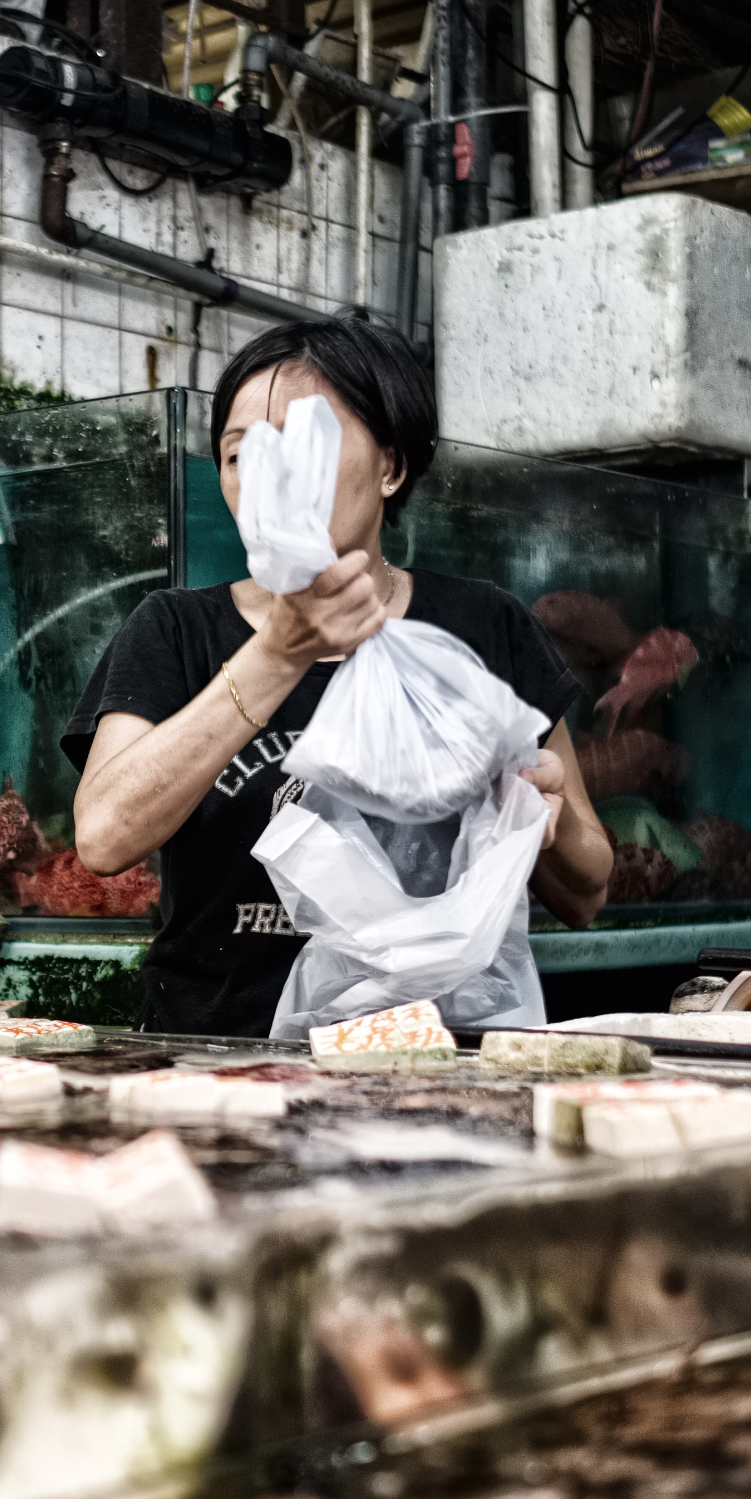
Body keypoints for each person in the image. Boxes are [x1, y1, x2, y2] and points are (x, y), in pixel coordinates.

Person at [64, 315, 614, 1039]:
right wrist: (279, 652)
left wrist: (548, 815)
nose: (266, 476)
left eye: (303, 447)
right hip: (216, 1060)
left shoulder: (483, 627)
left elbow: (587, 890)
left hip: (436, 1062)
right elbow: (103, 836)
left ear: (391, 466)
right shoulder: (173, 629)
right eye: (239, 454)